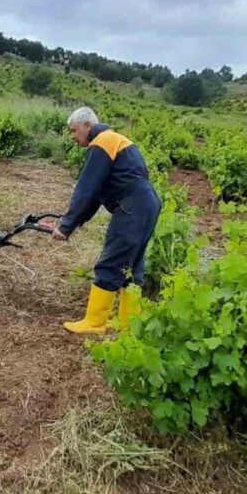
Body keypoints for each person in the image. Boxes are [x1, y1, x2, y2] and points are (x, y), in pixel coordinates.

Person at [44, 106, 161, 334]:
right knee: (132, 265)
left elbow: (86, 190)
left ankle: (95, 323)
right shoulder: (115, 139)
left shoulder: (102, 143)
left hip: (132, 207)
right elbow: (96, 195)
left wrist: (65, 227)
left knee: (110, 263)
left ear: (88, 125)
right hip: (147, 204)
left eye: (74, 130)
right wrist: (72, 222)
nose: (72, 136)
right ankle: (129, 324)